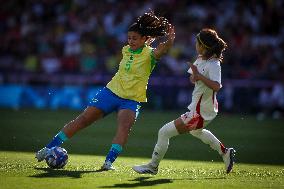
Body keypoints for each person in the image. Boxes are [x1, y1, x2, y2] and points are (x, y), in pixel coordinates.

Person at [35, 12, 175, 170]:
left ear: (143, 39)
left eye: (134, 38)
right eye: (129, 38)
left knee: (124, 128)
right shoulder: (126, 50)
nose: (130, 41)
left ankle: (108, 162)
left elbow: (161, 50)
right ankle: (47, 149)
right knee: (82, 120)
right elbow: (143, 42)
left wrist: (169, 41)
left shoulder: (150, 55)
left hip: (131, 99)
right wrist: (146, 38)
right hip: (110, 92)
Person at [132, 28, 236, 175]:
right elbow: (193, 78)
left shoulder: (214, 64)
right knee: (196, 133)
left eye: (197, 42)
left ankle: (152, 166)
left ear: (204, 46)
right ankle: (225, 152)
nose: (195, 45)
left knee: (164, 132)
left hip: (201, 113)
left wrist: (199, 76)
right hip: (200, 110)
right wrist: (194, 77)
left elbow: (217, 86)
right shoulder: (200, 59)